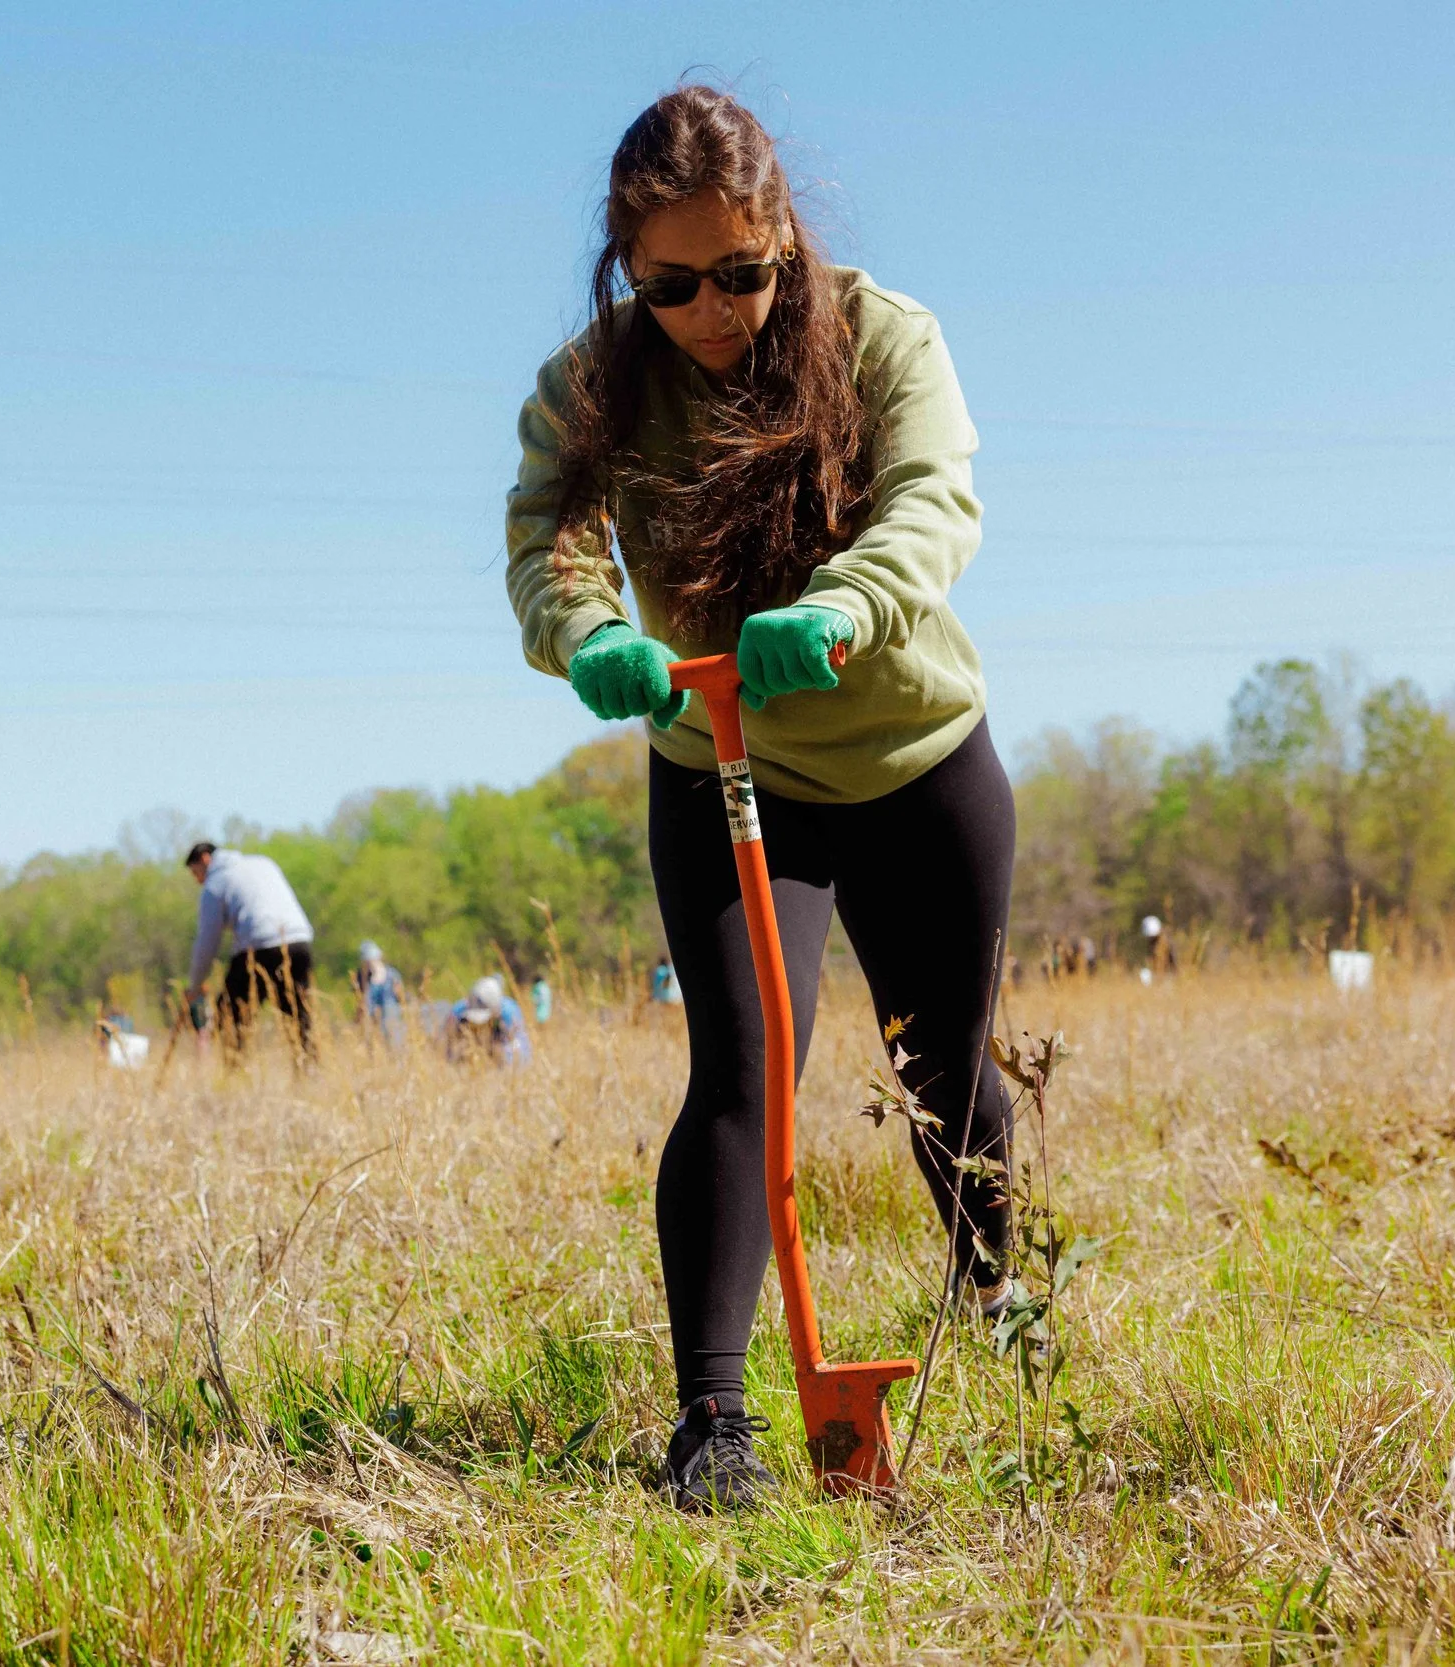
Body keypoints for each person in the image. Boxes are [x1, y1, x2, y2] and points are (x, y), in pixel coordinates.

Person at [505, 87, 1016, 1513]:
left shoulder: (882, 335)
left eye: (742, 270)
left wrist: (850, 601)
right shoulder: (597, 381)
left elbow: (936, 499)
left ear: (784, 237)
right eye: (672, 285)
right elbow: (550, 539)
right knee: (741, 1073)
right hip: (729, 764)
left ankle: (996, 1298)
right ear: (628, 271)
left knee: (944, 1066)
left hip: (918, 754)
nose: (714, 309)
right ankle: (713, 1421)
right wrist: (591, 634)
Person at [183, 842, 316, 1059]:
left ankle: (235, 1072)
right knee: (298, 1014)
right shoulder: (263, 863)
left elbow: (207, 942)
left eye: (196, 873)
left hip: (260, 946)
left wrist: (195, 986)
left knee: (230, 1015)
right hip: (299, 940)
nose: (198, 880)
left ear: (205, 859)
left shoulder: (215, 883)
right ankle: (309, 1070)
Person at [446, 975, 532, 1067]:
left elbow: (520, 1056)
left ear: (496, 1011)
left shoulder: (510, 1013)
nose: (478, 1024)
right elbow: (447, 1049)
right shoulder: (459, 1011)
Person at [355, 940, 408, 1052]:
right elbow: (361, 1005)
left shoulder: (392, 975)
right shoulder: (362, 979)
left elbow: (402, 999)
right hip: (371, 1024)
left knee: (394, 1049)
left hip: (392, 1024)